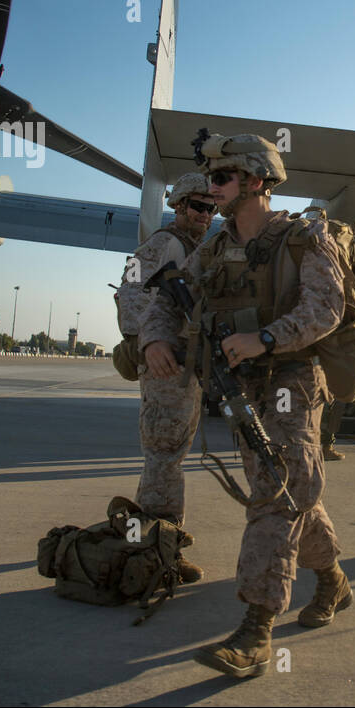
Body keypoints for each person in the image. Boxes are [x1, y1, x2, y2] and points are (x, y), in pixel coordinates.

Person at [139, 132, 350, 679]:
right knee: (291, 492)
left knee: (276, 497)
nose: (212, 189)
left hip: (291, 382)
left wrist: (269, 338)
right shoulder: (213, 246)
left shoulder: (301, 240)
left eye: (222, 178)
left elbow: (327, 308)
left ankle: (257, 628)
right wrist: (154, 340)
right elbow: (168, 297)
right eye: (211, 179)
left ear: (255, 180)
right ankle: (331, 579)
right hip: (239, 389)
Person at [114, 171, 216, 583]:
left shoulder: (197, 248)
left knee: (170, 454)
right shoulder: (161, 244)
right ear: (178, 206)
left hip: (184, 364)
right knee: (164, 456)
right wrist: (150, 343)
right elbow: (129, 293)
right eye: (197, 207)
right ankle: (160, 553)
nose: (205, 215)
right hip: (164, 364)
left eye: (211, 208)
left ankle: (150, 545)